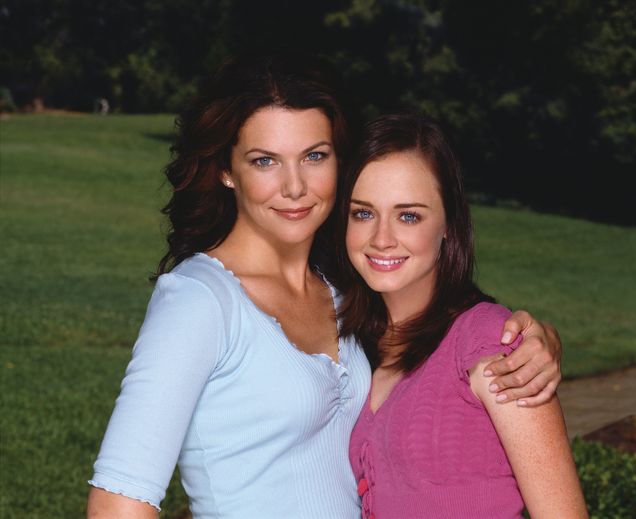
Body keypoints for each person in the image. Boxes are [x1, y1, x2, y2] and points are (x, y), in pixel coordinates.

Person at [87, 55, 563, 519]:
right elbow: (117, 504)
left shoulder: (345, 287)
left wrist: (534, 340)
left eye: (314, 156)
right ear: (227, 170)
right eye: (265, 160)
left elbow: (440, 340)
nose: (294, 187)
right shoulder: (199, 301)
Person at [341, 114, 588, 518]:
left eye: (408, 215)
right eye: (363, 213)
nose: (381, 238)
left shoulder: (489, 341)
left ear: (448, 225)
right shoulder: (356, 348)